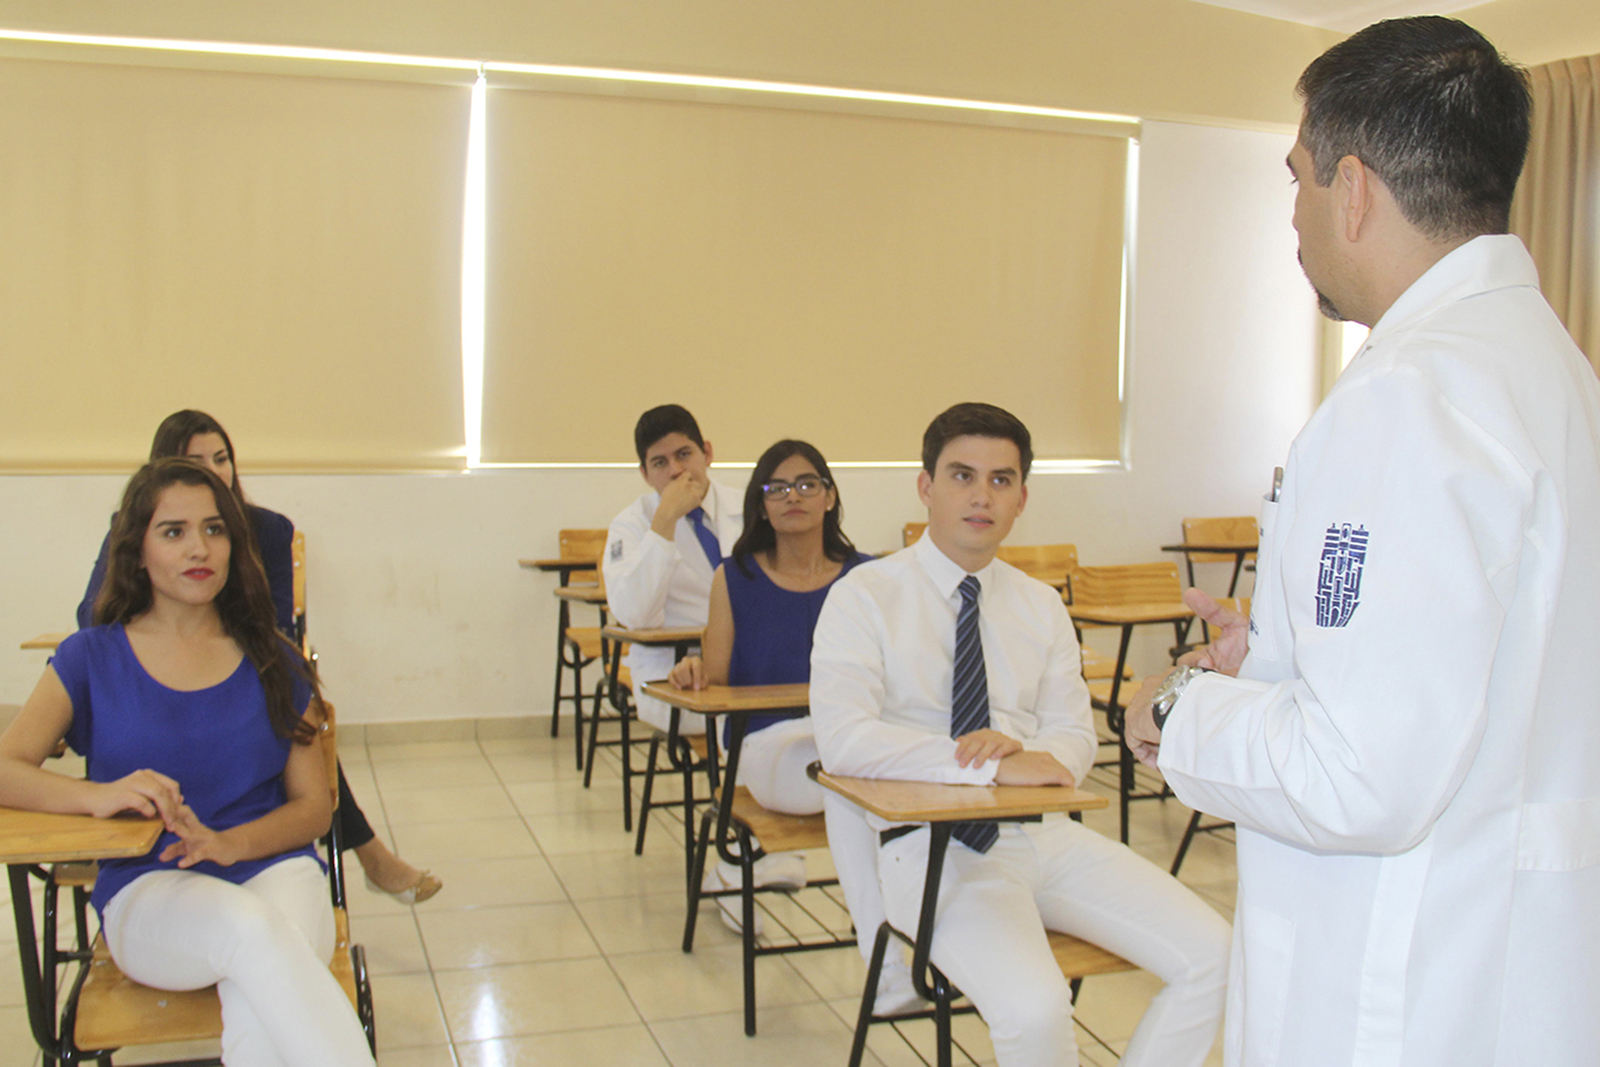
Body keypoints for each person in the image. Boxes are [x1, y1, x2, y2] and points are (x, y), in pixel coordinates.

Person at [1124, 17, 1600, 1066]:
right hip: (1515, 975)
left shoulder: (1407, 399)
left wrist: (1178, 706)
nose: (1292, 215)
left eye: (1296, 178)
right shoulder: (1550, 370)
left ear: (1351, 189)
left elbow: (1357, 774)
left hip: (1397, 994)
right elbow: (1479, 665)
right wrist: (1284, 658)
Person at [811, 403, 1230, 1067]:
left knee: (1217, 957)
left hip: (1044, 835)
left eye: (1001, 480)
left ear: (1022, 499)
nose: (982, 495)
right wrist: (981, 765)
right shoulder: (864, 595)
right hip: (933, 850)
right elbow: (844, 740)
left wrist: (1041, 759)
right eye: (962, 475)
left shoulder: (1040, 604)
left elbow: (1073, 735)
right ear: (925, 486)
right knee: (1036, 1010)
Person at [0, 458, 376, 1067]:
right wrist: (98, 795)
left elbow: (313, 809)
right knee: (255, 934)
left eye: (214, 529)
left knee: (260, 1000)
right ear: (137, 550)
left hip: (275, 869)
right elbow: (6, 767)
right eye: (173, 531)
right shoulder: (89, 657)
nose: (199, 547)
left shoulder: (273, 658)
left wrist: (230, 844)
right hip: (148, 886)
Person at [77, 410, 440, 906]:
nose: (214, 471)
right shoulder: (133, 533)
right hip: (160, 693)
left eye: (221, 458)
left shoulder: (265, 529)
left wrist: (210, 638)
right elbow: (93, 614)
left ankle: (361, 854)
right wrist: (162, 631)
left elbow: (274, 626)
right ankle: (370, 852)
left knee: (285, 712)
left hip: (244, 673)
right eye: (196, 462)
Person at [663, 441, 910, 1002]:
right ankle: (888, 958)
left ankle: (896, 955)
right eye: (775, 488)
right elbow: (716, 677)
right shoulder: (735, 578)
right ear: (760, 505)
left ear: (829, 497)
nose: (792, 497)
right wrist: (693, 668)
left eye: (805, 484)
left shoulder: (869, 576)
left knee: (856, 773)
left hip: (851, 747)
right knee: (849, 781)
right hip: (770, 750)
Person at [603, 405, 743, 734]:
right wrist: (664, 521)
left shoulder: (749, 508)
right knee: (742, 726)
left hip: (754, 659)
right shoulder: (631, 525)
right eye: (660, 463)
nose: (676, 471)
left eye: (684, 454)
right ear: (645, 474)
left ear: (707, 453)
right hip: (675, 669)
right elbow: (634, 614)